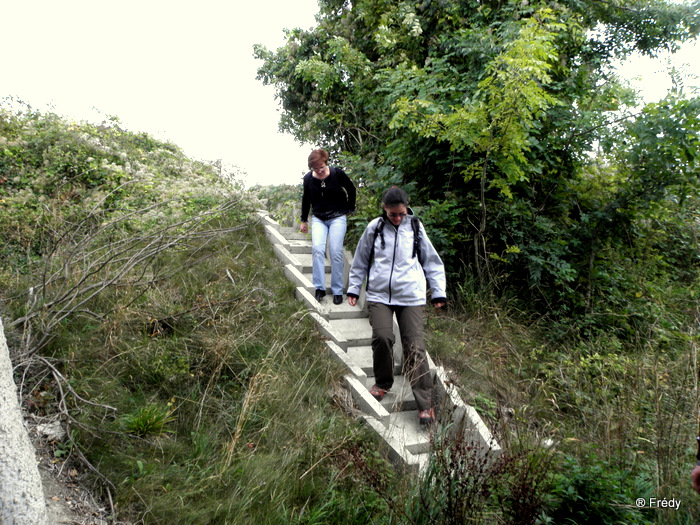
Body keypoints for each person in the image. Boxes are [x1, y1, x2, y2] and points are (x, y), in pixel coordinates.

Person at [346, 187, 446, 425]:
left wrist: (439, 292)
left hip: (411, 295)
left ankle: (425, 404)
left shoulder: (415, 227)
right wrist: (353, 287)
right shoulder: (375, 227)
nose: (397, 218)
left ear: (406, 207)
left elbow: (432, 261)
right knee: (382, 337)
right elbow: (360, 259)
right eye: (393, 214)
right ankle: (382, 383)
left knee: (414, 347)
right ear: (384, 209)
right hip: (379, 294)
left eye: (401, 213)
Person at [300, 149, 356, 305]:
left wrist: (349, 208)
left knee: (335, 251)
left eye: (321, 167)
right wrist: (304, 220)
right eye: (315, 169)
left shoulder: (337, 173)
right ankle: (320, 288)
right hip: (318, 218)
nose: (319, 171)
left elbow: (351, 189)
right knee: (317, 248)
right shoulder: (308, 179)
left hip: (337, 217)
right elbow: (306, 199)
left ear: (326, 163)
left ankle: (337, 290)